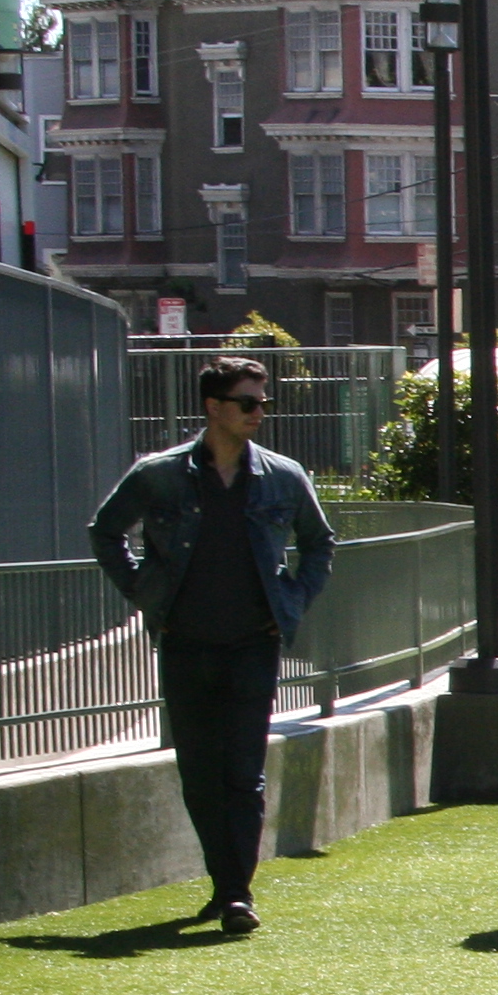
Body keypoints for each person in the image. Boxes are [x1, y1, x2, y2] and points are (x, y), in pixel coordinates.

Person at [87, 355, 337, 933]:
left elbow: (320, 543)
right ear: (215, 408)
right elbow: (105, 531)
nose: (259, 412)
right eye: (247, 402)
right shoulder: (160, 473)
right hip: (184, 642)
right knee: (199, 770)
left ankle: (235, 893)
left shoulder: (282, 475)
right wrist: (143, 592)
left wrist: (292, 602)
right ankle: (226, 885)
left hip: (254, 641)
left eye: (262, 402)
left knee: (244, 771)